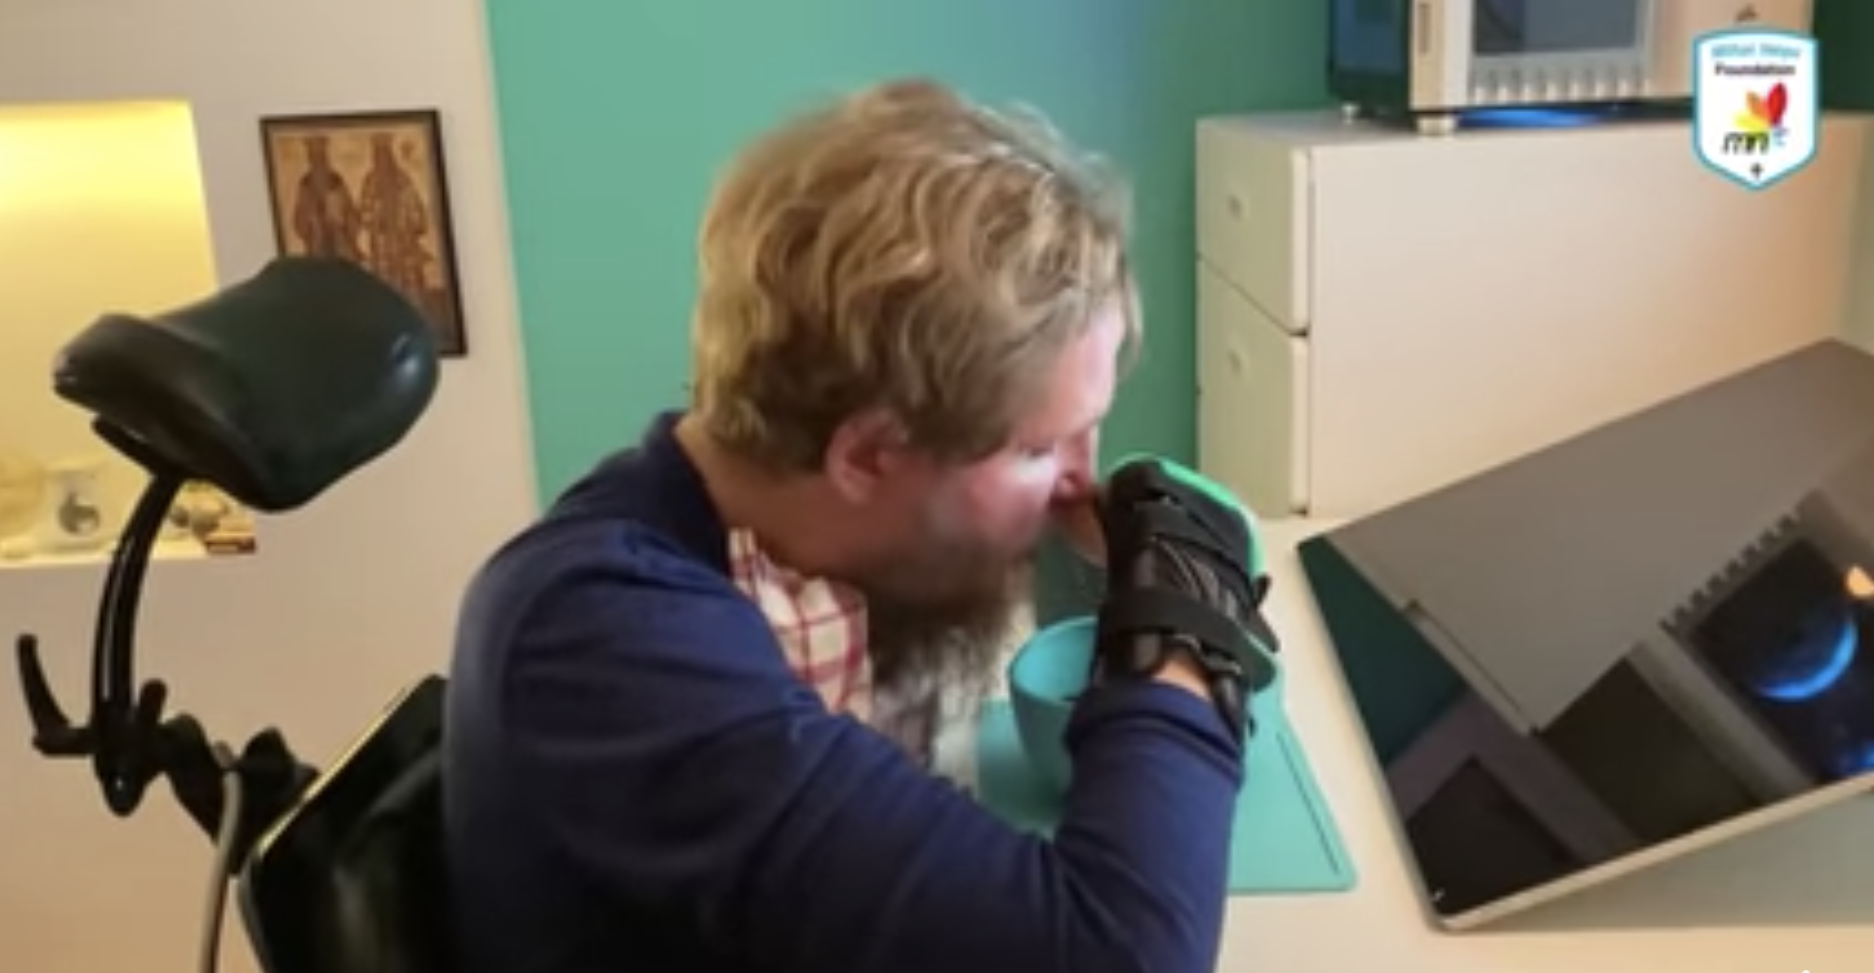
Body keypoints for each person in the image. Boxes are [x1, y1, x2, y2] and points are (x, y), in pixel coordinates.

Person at [442, 78, 1279, 973]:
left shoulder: (778, 543)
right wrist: (1183, 629)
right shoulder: (602, 641)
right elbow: (1126, 956)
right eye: (1040, 447)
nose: (1083, 478)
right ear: (871, 454)